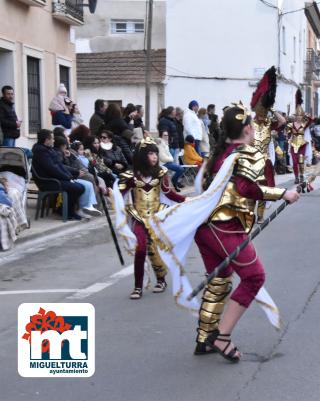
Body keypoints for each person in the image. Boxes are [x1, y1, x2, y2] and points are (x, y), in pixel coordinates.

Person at [149, 103, 300, 361]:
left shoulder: (217, 155)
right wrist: (283, 193)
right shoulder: (245, 154)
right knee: (254, 277)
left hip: (207, 227)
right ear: (248, 129)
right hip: (225, 226)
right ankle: (222, 336)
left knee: (220, 278)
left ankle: (204, 338)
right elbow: (246, 188)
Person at [118, 138, 185, 299]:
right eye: (150, 153)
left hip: (157, 217)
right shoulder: (130, 176)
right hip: (138, 217)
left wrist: (189, 201)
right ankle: (137, 287)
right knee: (140, 248)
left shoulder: (161, 173)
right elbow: (118, 193)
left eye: (155, 153)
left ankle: (161, 279)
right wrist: (106, 191)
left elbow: (170, 194)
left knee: (155, 250)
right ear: (142, 156)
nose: (154, 157)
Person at [250, 66, 286, 222]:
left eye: (264, 109)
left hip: (265, 161)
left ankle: (260, 215)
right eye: (261, 109)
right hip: (250, 161)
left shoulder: (268, 124)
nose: (262, 112)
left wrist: (273, 108)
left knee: (264, 190)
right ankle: (249, 215)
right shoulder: (248, 124)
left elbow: (283, 121)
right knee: (251, 190)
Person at [31, 129, 84, 220]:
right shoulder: (41, 152)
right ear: (47, 140)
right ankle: (66, 211)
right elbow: (52, 169)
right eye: (52, 139)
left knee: (80, 187)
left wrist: (71, 175)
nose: (54, 141)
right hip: (47, 182)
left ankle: (66, 210)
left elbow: (59, 165)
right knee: (77, 188)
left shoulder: (48, 150)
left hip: (54, 179)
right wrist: (67, 177)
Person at [285, 90, 312, 184]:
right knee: (295, 162)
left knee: (301, 161)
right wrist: (287, 133)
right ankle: (296, 177)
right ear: (295, 116)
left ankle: (301, 175)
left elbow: (311, 120)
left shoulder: (304, 124)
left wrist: (308, 117)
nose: (299, 117)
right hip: (293, 144)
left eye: (301, 115)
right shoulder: (290, 124)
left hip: (302, 145)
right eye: (298, 115)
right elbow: (287, 134)